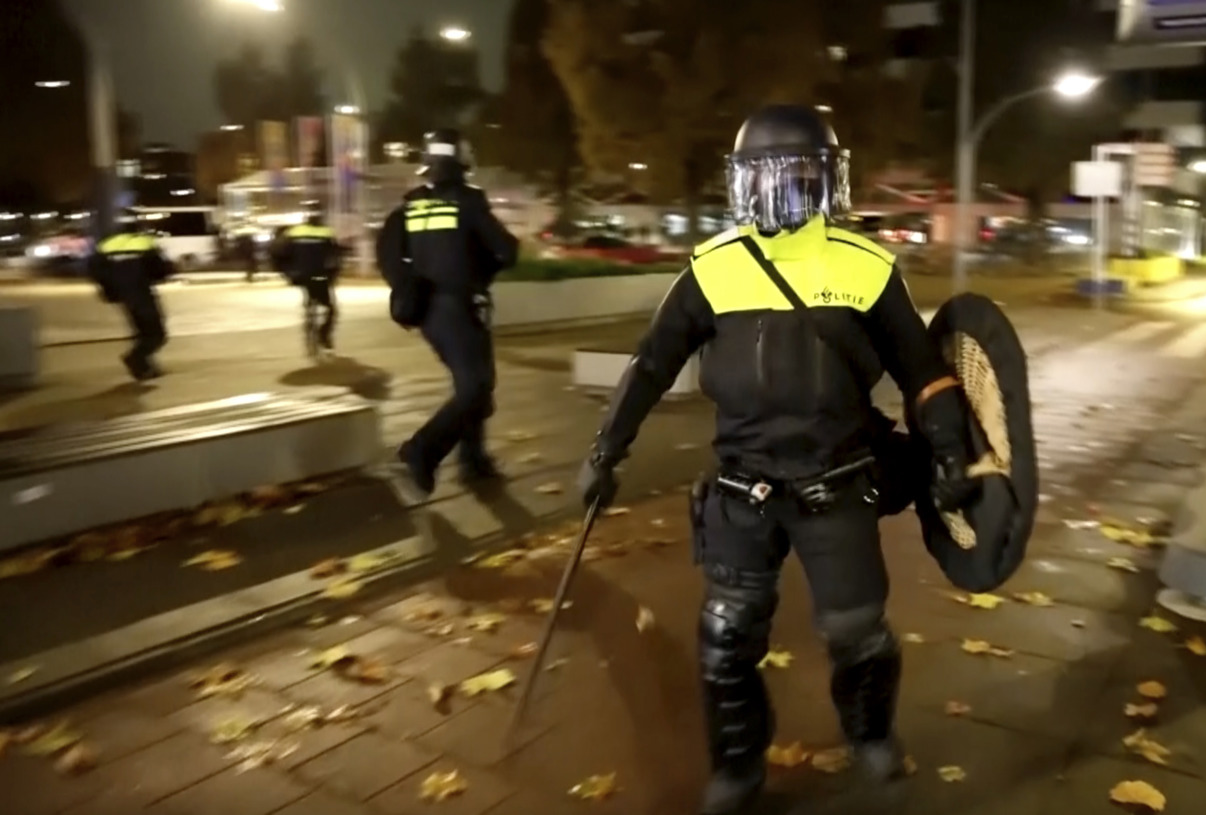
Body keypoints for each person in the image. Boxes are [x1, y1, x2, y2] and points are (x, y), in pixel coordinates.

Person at [576, 105, 979, 814]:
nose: (779, 195)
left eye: (796, 179)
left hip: (839, 482)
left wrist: (949, 450)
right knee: (726, 638)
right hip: (742, 490)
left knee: (859, 633)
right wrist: (606, 449)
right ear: (742, 186)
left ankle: (870, 734)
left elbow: (924, 372)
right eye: (765, 180)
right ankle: (737, 764)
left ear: (826, 184)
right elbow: (650, 364)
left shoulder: (865, 267)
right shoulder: (712, 267)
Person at [378, 127, 520, 497]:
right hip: (460, 307)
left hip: (427, 313)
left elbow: (389, 255)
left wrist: (408, 287)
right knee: (476, 388)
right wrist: (482, 271)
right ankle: (421, 451)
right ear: (461, 161)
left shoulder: (410, 205)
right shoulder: (468, 202)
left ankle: (474, 461)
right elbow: (506, 250)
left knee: (471, 382)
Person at [89, 209, 174, 381]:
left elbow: (94, 269)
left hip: (124, 296)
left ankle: (144, 368)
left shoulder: (106, 244)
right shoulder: (144, 242)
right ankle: (136, 359)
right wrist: (161, 277)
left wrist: (109, 289)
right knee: (157, 334)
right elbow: (159, 267)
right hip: (142, 291)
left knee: (140, 331)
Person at [274, 201, 343, 358]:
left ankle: (309, 320)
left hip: (301, 276)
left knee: (310, 298)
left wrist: (287, 273)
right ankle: (324, 337)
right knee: (331, 309)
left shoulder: (294, 232)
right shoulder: (327, 232)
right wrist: (334, 275)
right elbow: (335, 256)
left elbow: (278, 253)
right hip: (321, 276)